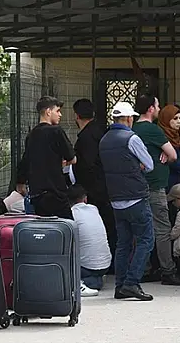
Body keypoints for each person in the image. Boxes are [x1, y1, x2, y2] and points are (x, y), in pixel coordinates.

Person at [133, 95, 180, 286]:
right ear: (151, 109)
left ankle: (145, 269)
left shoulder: (133, 129)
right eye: (157, 106)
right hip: (155, 185)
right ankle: (168, 270)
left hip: (138, 185)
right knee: (163, 229)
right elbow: (173, 155)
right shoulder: (152, 129)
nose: (159, 109)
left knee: (142, 228)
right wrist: (167, 155)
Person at [98, 101, 156, 301]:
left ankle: (120, 285)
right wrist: (137, 166)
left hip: (116, 199)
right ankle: (132, 283)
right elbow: (149, 165)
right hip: (136, 197)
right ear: (129, 119)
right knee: (146, 240)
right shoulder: (131, 138)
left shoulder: (104, 140)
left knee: (123, 243)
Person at [16, 96, 76, 220]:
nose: (60, 115)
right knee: (67, 227)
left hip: (37, 195)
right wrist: (63, 163)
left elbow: (25, 161)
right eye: (57, 111)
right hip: (56, 192)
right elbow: (72, 158)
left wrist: (21, 182)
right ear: (48, 112)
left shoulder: (31, 135)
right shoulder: (56, 131)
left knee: (44, 228)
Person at [72, 98, 115, 267]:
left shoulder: (86, 137)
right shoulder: (100, 132)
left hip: (95, 189)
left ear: (77, 116)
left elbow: (88, 166)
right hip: (106, 185)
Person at [68, 184, 112, 297]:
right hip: (106, 265)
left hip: (86, 267)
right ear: (85, 198)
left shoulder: (71, 214)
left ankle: (81, 282)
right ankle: (95, 279)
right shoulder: (94, 209)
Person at [157, 104, 180, 190]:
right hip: (166, 182)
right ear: (167, 119)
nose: (179, 121)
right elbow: (176, 164)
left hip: (179, 180)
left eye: (179, 118)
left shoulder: (177, 136)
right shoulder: (161, 138)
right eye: (175, 118)